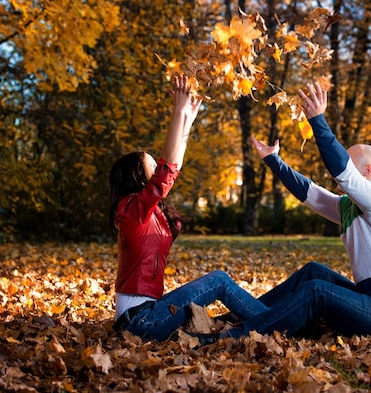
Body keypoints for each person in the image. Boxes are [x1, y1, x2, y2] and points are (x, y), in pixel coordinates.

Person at [211, 81, 371, 342]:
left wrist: (318, 120)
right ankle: (240, 317)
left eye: (349, 159)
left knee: (318, 290)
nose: (341, 163)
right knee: (314, 272)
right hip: (370, 302)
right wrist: (274, 161)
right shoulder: (348, 207)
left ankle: (233, 337)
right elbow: (310, 193)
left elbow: (342, 172)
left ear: (368, 172)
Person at [109, 75, 267, 342]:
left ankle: (274, 315)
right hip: (139, 321)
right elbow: (168, 170)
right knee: (219, 280)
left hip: (149, 313)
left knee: (222, 298)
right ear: (137, 176)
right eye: (151, 164)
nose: (157, 166)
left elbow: (172, 168)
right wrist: (178, 111)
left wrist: (187, 121)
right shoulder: (129, 210)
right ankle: (279, 320)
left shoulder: (149, 212)